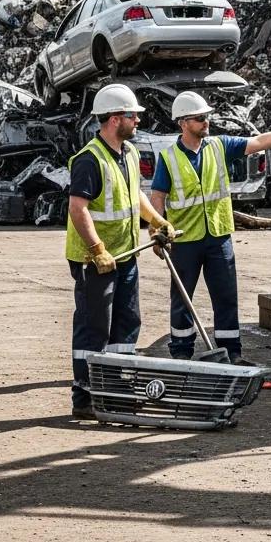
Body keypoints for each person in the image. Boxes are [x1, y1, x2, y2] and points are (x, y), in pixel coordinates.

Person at [150, 91, 271, 365]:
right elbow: (158, 197)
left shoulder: (219, 146)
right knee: (182, 298)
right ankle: (181, 351)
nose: (206, 122)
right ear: (183, 122)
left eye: (207, 117)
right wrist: (157, 231)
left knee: (226, 297)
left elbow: (259, 142)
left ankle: (231, 353)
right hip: (183, 239)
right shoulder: (168, 158)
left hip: (218, 236)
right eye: (200, 118)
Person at [66, 84, 177, 420]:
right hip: (95, 259)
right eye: (133, 115)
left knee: (127, 324)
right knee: (94, 326)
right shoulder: (89, 159)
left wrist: (157, 220)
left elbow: (134, 196)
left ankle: (114, 389)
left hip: (126, 254)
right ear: (115, 119)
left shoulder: (128, 153)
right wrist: (97, 249)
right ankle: (85, 394)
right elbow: (78, 209)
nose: (138, 121)